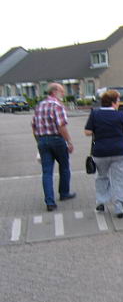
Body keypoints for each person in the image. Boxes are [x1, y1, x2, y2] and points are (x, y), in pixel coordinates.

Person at [84, 89, 123, 218]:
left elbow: (87, 132)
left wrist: (98, 130)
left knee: (101, 177)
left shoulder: (95, 114)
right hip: (119, 151)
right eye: (118, 100)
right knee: (119, 179)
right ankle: (119, 207)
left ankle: (101, 202)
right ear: (113, 102)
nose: (119, 103)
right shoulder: (120, 115)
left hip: (100, 152)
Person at [31, 83, 76, 211]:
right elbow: (61, 126)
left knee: (47, 171)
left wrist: (39, 141)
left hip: (42, 140)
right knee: (64, 166)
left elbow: (34, 126)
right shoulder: (57, 106)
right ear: (55, 91)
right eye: (62, 91)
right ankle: (64, 193)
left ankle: (50, 202)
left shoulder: (39, 106)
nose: (63, 94)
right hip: (56, 139)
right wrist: (69, 142)